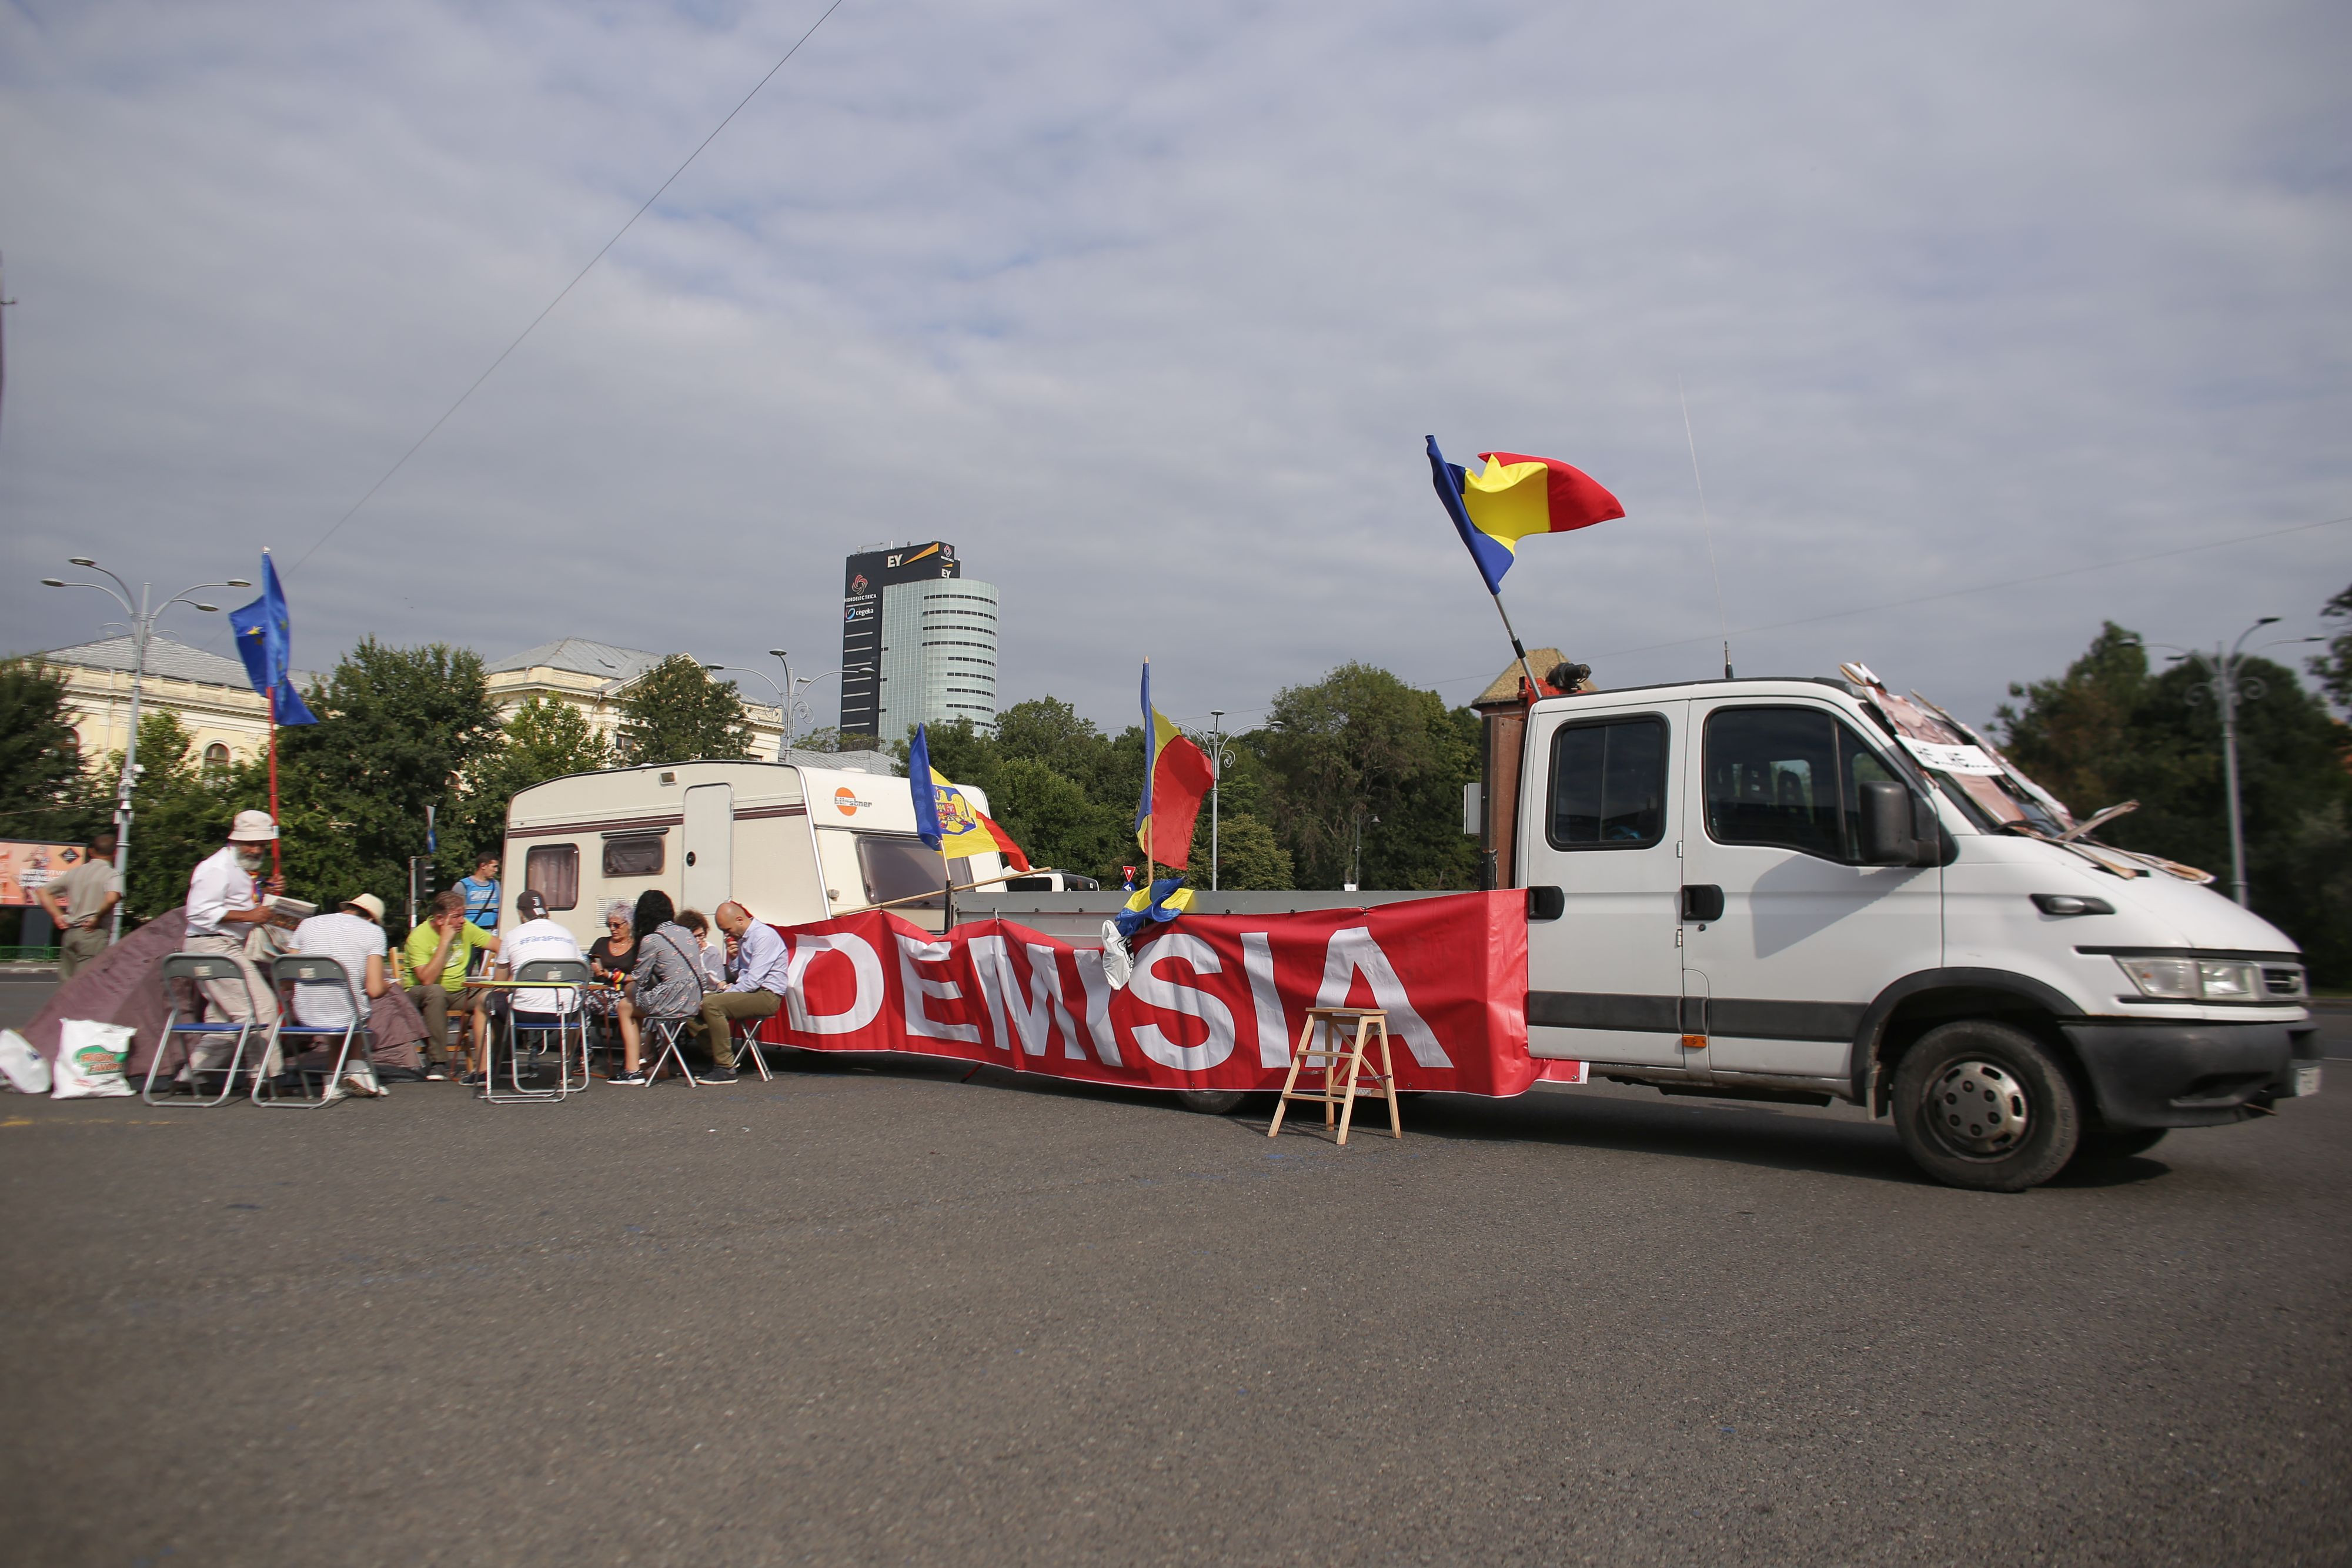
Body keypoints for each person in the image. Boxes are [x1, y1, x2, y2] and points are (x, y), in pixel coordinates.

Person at [181, 811, 285, 1050]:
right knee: (262, 1006)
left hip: (219, 944)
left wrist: (269, 888)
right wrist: (249, 916)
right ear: (235, 841)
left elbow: (239, 899)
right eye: (251, 844)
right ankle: (268, 1076)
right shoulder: (217, 867)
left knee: (225, 1017)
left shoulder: (238, 867)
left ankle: (195, 1074)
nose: (257, 850)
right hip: (214, 944)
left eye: (261, 845)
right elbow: (197, 911)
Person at [288, 893, 391, 1097]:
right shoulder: (374, 932)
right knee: (356, 1005)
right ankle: (356, 1070)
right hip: (346, 1010)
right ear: (371, 918)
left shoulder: (306, 924)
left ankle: (332, 1081)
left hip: (304, 1009)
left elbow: (288, 974)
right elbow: (375, 989)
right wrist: (389, 985)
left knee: (344, 1005)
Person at [610, 890, 709, 1085]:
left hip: (672, 1002)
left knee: (625, 1004)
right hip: (694, 1001)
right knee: (638, 1003)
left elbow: (640, 978)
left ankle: (632, 1070)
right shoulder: (687, 933)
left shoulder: (652, 939)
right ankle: (651, 1065)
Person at [402, 889, 499, 1081]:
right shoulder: (419, 937)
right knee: (436, 992)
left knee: (495, 998)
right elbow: (427, 979)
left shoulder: (466, 928)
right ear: (440, 919)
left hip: (459, 991)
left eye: (463, 915)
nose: (462, 921)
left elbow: (500, 946)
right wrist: (445, 941)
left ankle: (495, 1061)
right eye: (457, 917)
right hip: (420, 992)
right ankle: (438, 1062)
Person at [700, 902, 789, 1078]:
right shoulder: (744, 938)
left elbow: (753, 981)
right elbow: (740, 974)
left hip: (766, 995)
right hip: (752, 991)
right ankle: (721, 1056)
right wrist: (734, 958)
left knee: (711, 1004)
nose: (727, 934)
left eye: (727, 929)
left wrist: (724, 994)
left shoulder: (763, 936)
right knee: (693, 1005)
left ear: (740, 920)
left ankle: (725, 1066)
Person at [497, 889, 585, 1051]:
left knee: (487, 1002)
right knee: (578, 1006)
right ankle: (566, 1068)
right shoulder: (567, 934)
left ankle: (488, 1069)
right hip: (566, 1012)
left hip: (523, 1012)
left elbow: (499, 982)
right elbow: (581, 972)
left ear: (520, 913)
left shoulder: (512, 936)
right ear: (546, 911)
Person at [38, 830, 121, 981]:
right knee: (86, 985)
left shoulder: (74, 872)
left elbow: (43, 891)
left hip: (70, 934)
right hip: (93, 932)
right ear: (115, 853)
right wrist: (97, 917)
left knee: (67, 984)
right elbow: (112, 897)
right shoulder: (112, 875)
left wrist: (58, 916)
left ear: (91, 851)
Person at [677, 908, 729, 987]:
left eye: (701, 935)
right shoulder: (677, 953)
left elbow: (720, 981)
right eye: (694, 937)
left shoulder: (711, 951)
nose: (698, 940)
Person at [455, 852, 502, 937]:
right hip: (470, 935)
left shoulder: (496, 885)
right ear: (483, 866)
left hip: (491, 936)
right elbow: (455, 913)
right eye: (494, 867)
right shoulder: (463, 885)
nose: (496, 870)